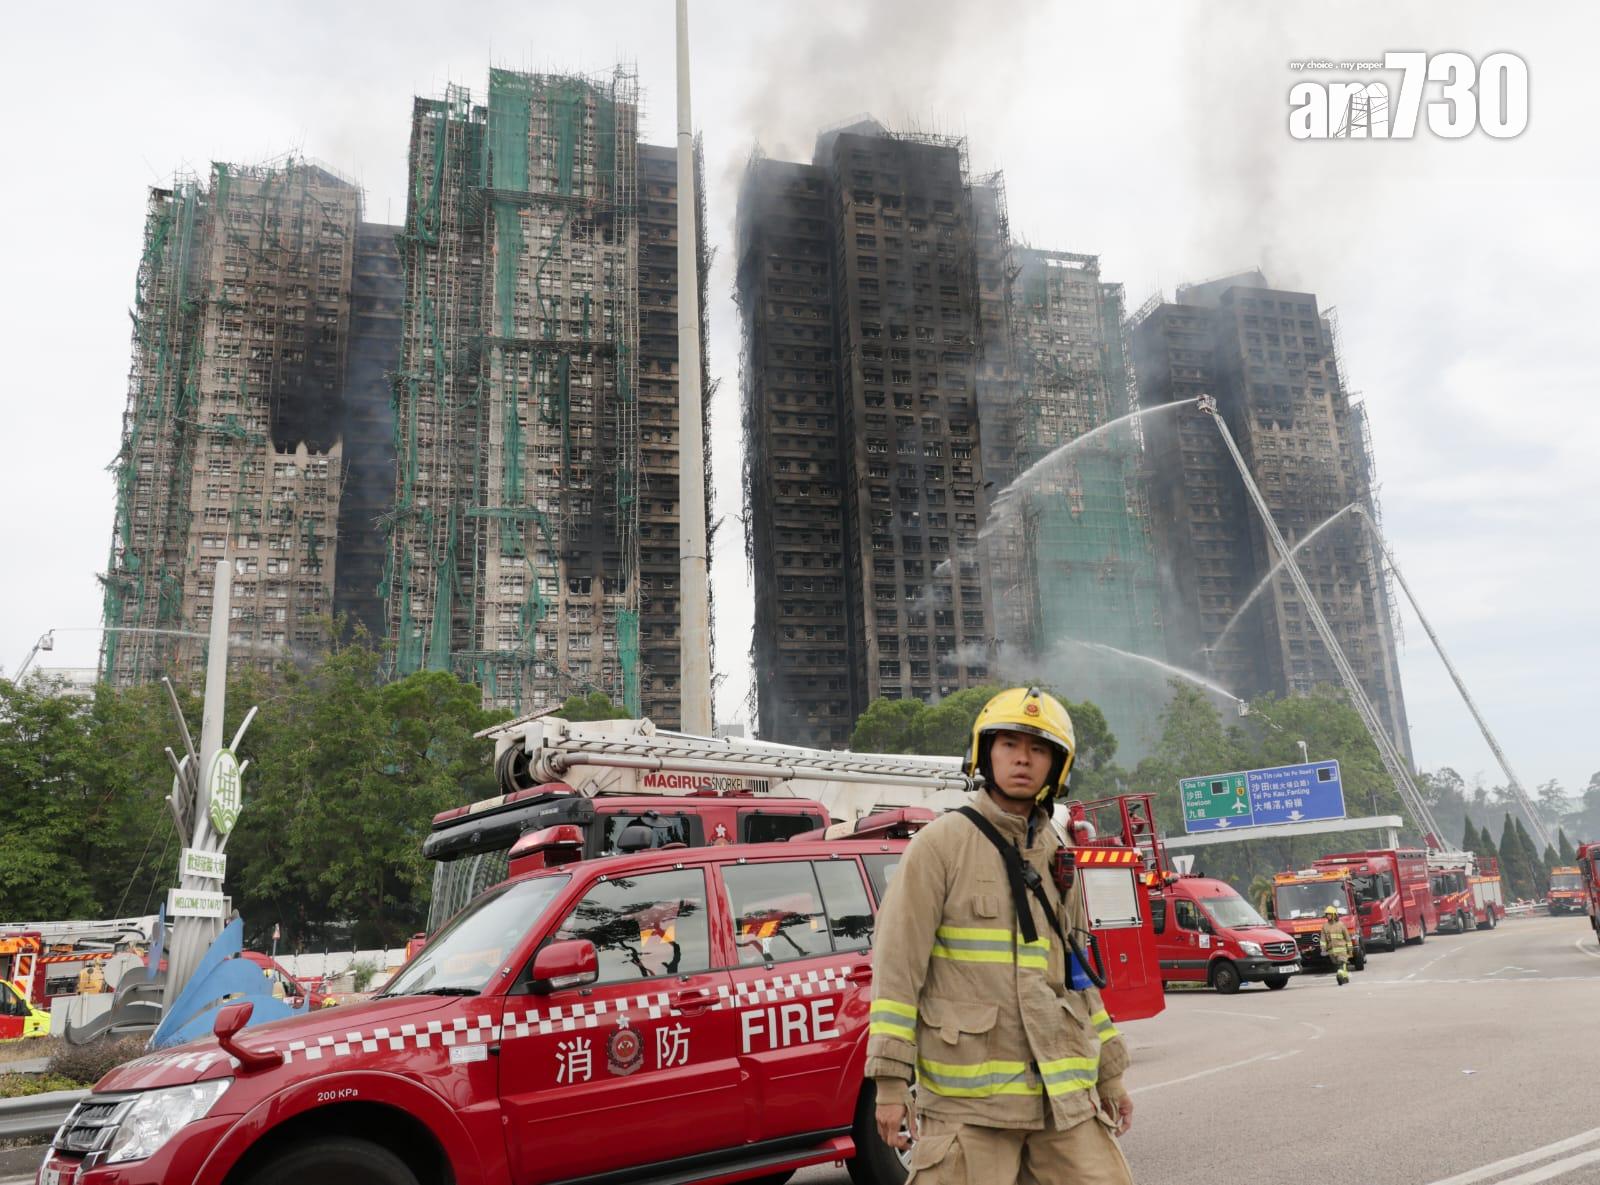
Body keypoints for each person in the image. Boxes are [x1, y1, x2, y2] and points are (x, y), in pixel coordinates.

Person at [866, 687, 1136, 1185]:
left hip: (1061, 1097)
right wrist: (889, 1082)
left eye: (1038, 750)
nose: (1023, 759)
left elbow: (1078, 975)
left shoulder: (1058, 852)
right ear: (984, 753)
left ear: (1056, 768)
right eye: (1010, 744)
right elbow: (897, 971)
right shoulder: (939, 847)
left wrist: (1110, 1075)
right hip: (971, 1107)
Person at [1320, 904, 1353, 986]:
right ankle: (1345, 977)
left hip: (1342, 950)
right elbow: (1323, 940)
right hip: (1331, 952)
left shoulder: (1341, 925)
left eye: (1329, 914)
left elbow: (1347, 938)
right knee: (1338, 965)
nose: (1328, 916)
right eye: (1327, 914)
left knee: (1341, 963)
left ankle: (1340, 977)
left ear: (1334, 914)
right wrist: (1323, 949)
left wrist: (1350, 949)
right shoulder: (1325, 926)